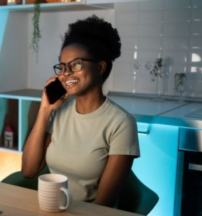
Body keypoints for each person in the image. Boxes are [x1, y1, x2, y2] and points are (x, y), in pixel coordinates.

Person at [21, 15, 140, 208]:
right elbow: (28, 170)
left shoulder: (121, 123)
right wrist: (44, 110)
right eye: (62, 66)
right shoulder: (59, 112)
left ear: (100, 67)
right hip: (52, 209)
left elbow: (104, 203)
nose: (66, 73)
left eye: (76, 64)